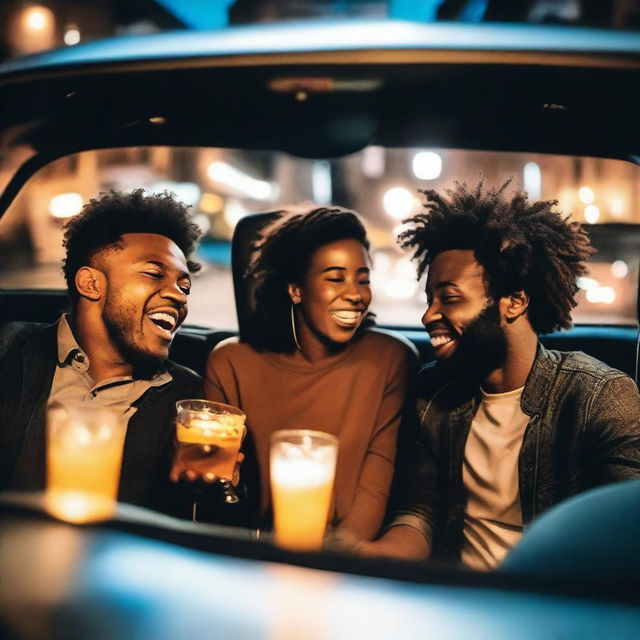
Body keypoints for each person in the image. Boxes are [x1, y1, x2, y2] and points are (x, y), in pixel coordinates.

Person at [361, 180, 640, 569]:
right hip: (455, 603)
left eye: (450, 297)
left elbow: (622, 539)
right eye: (429, 299)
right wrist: (364, 558)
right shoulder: (433, 391)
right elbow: (419, 514)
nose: (428, 316)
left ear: (515, 301)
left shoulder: (599, 398)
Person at [0, 189, 229, 519]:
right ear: (91, 284)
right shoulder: (7, 347)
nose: (178, 296)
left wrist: (213, 487)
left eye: (185, 286)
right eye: (154, 273)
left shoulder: (191, 399)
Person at [205, 205, 416, 542]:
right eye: (335, 278)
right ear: (295, 289)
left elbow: (379, 474)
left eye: (363, 280)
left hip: (344, 556)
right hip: (256, 550)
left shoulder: (390, 359)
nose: (355, 295)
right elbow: (216, 486)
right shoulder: (230, 363)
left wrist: (341, 556)